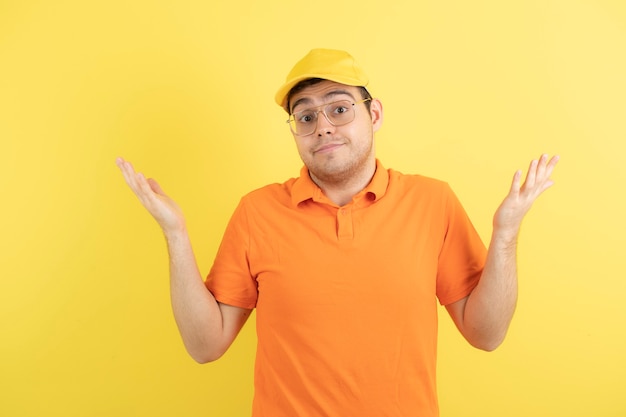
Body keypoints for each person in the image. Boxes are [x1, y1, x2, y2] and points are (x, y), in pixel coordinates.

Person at [116, 48, 559, 417]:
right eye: (304, 116)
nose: (322, 125)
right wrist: (175, 234)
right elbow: (204, 345)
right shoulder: (257, 212)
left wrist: (505, 235)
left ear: (375, 114)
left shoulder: (433, 202)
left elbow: (487, 334)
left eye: (339, 108)